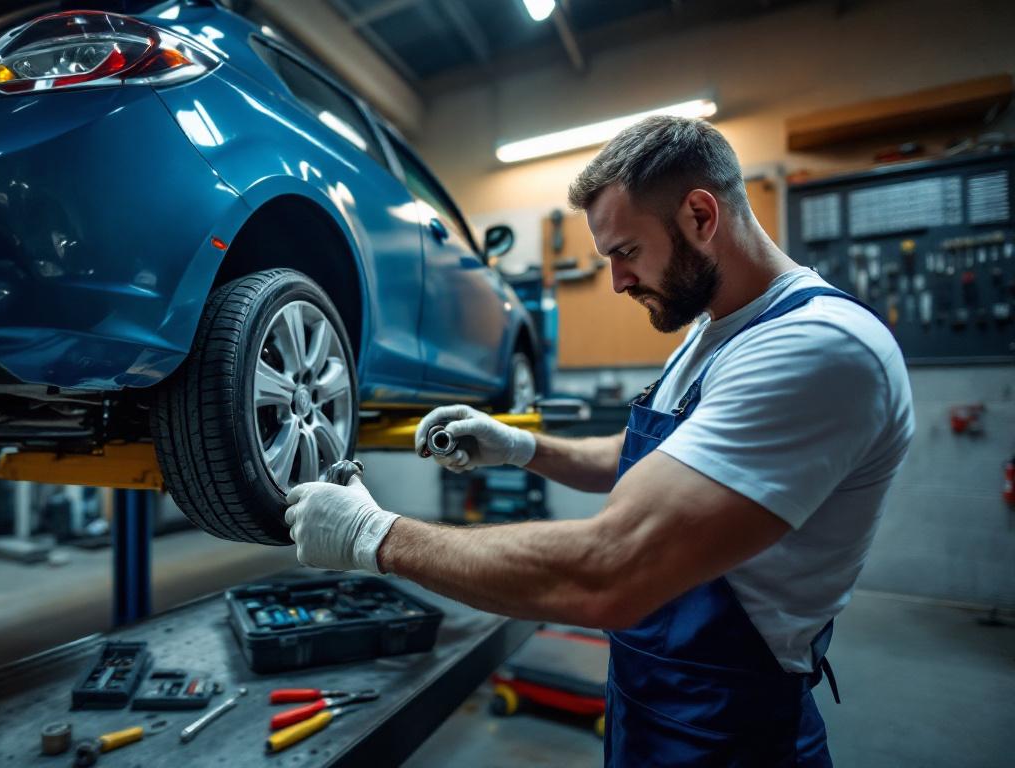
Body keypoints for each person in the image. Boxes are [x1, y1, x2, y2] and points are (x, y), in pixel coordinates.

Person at [284, 116, 914, 766]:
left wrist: (374, 536)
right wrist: (518, 447)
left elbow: (611, 569)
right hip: (646, 707)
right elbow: (642, 458)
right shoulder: (712, 335)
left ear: (701, 215)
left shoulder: (818, 347)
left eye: (627, 252)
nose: (616, 281)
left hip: (732, 734)